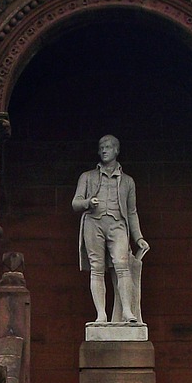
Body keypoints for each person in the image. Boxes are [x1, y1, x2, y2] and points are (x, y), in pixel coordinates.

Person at [72, 134, 149, 325]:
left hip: (118, 224)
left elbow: (132, 212)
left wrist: (138, 237)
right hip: (93, 223)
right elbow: (75, 203)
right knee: (97, 268)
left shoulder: (128, 181)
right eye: (101, 147)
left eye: (108, 147)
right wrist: (88, 202)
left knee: (122, 266)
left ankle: (128, 313)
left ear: (116, 150)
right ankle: (101, 315)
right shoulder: (87, 177)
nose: (104, 150)